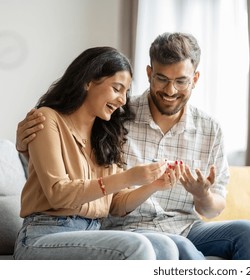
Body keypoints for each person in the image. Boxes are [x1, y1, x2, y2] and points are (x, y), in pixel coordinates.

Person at [16, 33, 250, 260]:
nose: (170, 90)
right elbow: (57, 181)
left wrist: (194, 192)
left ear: (195, 79)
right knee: (176, 247)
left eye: (181, 81)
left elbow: (113, 202)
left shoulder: (108, 123)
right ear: (149, 74)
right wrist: (25, 145)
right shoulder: (117, 117)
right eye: (162, 79)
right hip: (118, 228)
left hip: (176, 225)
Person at [13, 46, 180, 260]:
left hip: (91, 233)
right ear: (88, 81)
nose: (122, 100)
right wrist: (128, 177)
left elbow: (117, 204)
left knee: (165, 246)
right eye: (117, 89)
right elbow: (58, 193)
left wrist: (154, 185)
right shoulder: (47, 119)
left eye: (126, 93)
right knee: (137, 246)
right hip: (43, 235)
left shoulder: (106, 136)